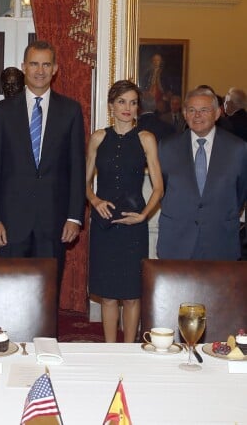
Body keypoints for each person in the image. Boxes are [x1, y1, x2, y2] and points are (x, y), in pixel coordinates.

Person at [0, 41, 85, 281]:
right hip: (10, 225)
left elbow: (77, 168)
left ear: (55, 69)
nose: (40, 70)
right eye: (34, 64)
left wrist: (74, 217)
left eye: (46, 64)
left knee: (46, 296)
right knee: (10, 297)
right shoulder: (1, 112)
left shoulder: (71, 111)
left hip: (54, 225)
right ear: (24, 68)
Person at [86, 80, 163, 343]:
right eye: (121, 102)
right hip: (104, 225)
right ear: (111, 106)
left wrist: (144, 215)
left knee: (131, 294)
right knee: (107, 295)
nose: (127, 107)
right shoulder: (98, 137)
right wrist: (95, 200)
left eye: (132, 102)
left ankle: (128, 352)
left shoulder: (146, 139)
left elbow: (158, 188)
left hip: (133, 226)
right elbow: (84, 184)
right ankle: (110, 350)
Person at [157, 87, 247, 260]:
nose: (197, 115)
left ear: (217, 113)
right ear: (184, 113)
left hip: (220, 241)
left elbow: (240, 193)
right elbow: (162, 189)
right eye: (192, 110)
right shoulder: (167, 147)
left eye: (204, 110)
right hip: (177, 241)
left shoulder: (238, 149)